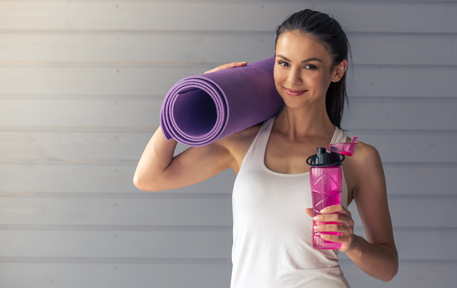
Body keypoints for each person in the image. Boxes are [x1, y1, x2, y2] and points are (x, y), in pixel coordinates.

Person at [134, 8, 398, 288]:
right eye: (284, 63)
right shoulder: (242, 141)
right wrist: (186, 97)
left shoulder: (357, 157)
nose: (292, 79)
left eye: (309, 66)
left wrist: (351, 243)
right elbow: (148, 178)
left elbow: (387, 267)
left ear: (337, 71)